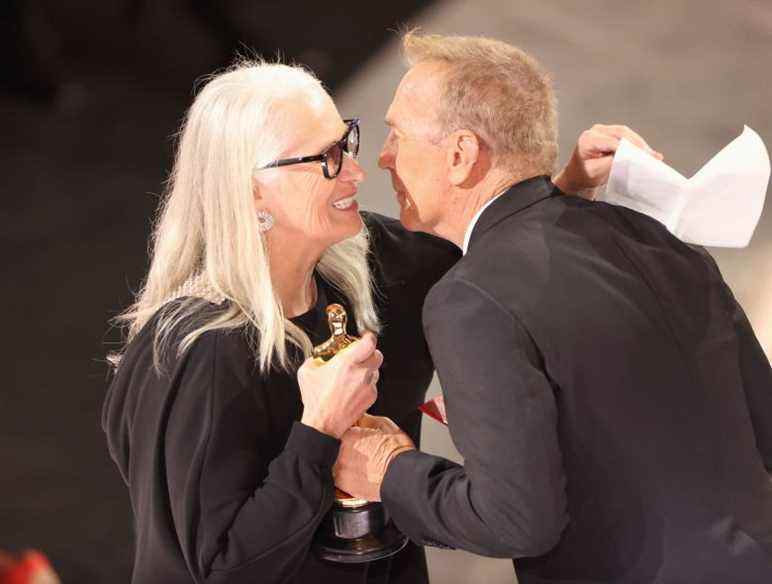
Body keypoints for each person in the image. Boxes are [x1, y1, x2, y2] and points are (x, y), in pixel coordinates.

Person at [101, 58, 599, 584]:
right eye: (328, 158)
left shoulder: (374, 267)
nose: (359, 171)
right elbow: (224, 568)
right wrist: (319, 430)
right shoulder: (201, 351)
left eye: (348, 142)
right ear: (251, 189)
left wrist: (564, 192)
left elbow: (494, 272)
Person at [334, 32, 772, 584]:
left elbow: (515, 520)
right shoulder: (654, 238)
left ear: (460, 155)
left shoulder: (470, 300)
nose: (383, 156)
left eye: (396, 134)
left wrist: (389, 469)